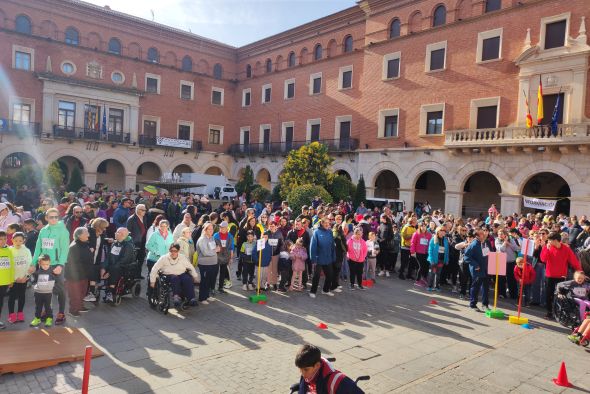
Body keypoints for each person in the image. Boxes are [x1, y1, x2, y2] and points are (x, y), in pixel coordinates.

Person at [30, 208, 70, 325]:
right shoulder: (43, 230)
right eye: (51, 217)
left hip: (56, 265)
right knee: (44, 290)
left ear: (58, 217)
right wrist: (33, 263)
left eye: (56, 217)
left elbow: (64, 250)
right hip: (43, 265)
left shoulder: (63, 231)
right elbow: (38, 248)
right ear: (46, 218)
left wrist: (60, 265)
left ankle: (61, 313)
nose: (53, 219)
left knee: (60, 290)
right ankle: (47, 312)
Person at [541, 231, 582, 319]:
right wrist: (547, 249)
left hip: (561, 276)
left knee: (561, 295)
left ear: (556, 240)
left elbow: (574, 261)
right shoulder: (547, 247)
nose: (548, 242)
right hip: (550, 276)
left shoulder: (566, 249)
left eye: (550, 240)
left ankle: (560, 312)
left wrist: (580, 272)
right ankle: (549, 312)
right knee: (549, 294)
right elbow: (543, 259)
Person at [294, 344, 364, 394]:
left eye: (306, 369)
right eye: (300, 369)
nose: (302, 374)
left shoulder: (336, 380)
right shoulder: (307, 373)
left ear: (317, 365)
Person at [149, 243, 199, 307]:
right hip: (168, 275)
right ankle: (176, 297)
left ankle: (191, 298)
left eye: (175, 251)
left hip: (181, 274)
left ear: (178, 251)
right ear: (169, 250)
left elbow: (190, 267)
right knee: (175, 278)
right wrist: (152, 281)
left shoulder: (182, 257)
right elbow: (155, 268)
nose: (173, 253)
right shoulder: (164, 258)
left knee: (188, 278)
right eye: (171, 251)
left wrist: (195, 276)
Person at [101, 227, 135, 303]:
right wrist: (103, 268)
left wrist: (110, 272)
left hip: (123, 268)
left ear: (122, 235)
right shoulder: (114, 244)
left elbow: (124, 261)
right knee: (101, 266)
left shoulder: (128, 246)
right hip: (113, 266)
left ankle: (110, 292)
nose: (115, 233)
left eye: (117, 232)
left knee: (115, 269)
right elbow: (108, 257)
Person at [65, 227, 94, 317]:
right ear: (80, 235)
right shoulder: (74, 247)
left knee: (82, 292)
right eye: (86, 233)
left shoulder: (84, 244)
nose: (88, 235)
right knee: (75, 294)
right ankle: (73, 310)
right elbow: (71, 263)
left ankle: (80, 307)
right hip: (75, 276)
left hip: (84, 274)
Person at [7, 232, 31, 324]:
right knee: (12, 297)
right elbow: (8, 267)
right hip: (13, 280)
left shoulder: (27, 251)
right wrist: (13, 278)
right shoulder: (9, 251)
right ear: (12, 240)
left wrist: (26, 276)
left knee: (22, 296)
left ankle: (20, 314)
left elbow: (30, 264)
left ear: (23, 241)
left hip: (24, 279)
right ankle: (11, 315)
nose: (18, 242)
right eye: (16, 240)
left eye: (20, 240)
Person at [309, 218, 336, 298]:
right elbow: (312, 246)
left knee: (330, 275)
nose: (328, 224)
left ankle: (325, 290)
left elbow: (332, 246)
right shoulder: (316, 232)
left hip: (328, 258)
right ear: (322, 223)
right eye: (326, 223)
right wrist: (313, 258)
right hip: (318, 259)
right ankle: (312, 291)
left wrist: (333, 256)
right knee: (316, 276)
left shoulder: (330, 232)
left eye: (329, 223)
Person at [465, 228, 490, 312]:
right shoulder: (474, 244)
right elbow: (466, 257)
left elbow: (487, 254)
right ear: (477, 236)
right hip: (477, 270)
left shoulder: (484, 243)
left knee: (486, 287)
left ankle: (485, 304)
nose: (484, 234)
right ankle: (472, 304)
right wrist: (475, 265)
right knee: (475, 287)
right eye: (482, 234)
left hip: (485, 269)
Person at [195, 222, 220, 305]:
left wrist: (216, 248)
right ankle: (202, 298)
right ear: (205, 230)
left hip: (213, 263)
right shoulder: (202, 239)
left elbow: (212, 248)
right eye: (209, 229)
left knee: (210, 280)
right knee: (204, 281)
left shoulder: (212, 238)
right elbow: (205, 252)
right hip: (204, 264)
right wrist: (215, 250)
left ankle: (207, 295)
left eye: (212, 229)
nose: (211, 231)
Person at [29, 254, 56, 328]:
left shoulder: (52, 271)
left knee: (48, 307)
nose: (45, 266)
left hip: (48, 293)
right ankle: (37, 318)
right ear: (39, 263)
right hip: (38, 293)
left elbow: (56, 278)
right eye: (43, 264)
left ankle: (49, 318)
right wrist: (31, 274)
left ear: (50, 263)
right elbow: (33, 281)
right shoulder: (37, 271)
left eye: (47, 264)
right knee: (38, 307)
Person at [126, 203, 147, 278]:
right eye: (143, 210)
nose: (145, 211)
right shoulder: (131, 219)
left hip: (143, 242)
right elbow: (128, 232)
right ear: (137, 210)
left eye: (145, 210)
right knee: (134, 260)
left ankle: (138, 274)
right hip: (134, 243)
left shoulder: (144, 218)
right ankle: (132, 275)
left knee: (141, 259)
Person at [214, 221, 234, 293]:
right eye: (221, 227)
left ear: (226, 228)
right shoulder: (216, 235)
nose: (222, 229)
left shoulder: (230, 236)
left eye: (223, 227)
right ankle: (212, 288)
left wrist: (231, 258)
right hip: (217, 256)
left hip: (226, 256)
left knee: (223, 272)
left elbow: (231, 248)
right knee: (215, 272)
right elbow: (213, 246)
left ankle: (220, 287)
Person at [0, 230, 15, 329]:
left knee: (0, 302)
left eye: (5, 239)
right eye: (0, 239)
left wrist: (11, 280)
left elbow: (11, 266)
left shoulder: (9, 250)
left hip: (4, 282)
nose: (3, 241)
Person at [427, 226, 449, 292]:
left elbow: (447, 251)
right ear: (438, 231)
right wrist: (431, 259)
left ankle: (437, 286)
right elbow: (430, 250)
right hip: (434, 260)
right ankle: (430, 286)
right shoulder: (433, 239)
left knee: (438, 274)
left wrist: (446, 259)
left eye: (444, 231)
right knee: (432, 273)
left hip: (441, 260)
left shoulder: (445, 240)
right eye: (441, 231)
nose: (443, 232)